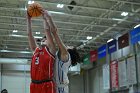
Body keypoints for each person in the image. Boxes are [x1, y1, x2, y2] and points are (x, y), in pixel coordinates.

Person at [44, 10, 80, 93]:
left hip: (61, 89)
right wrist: (45, 20)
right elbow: (48, 33)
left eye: (70, 46)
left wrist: (50, 18)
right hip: (55, 87)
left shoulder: (66, 55)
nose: (68, 45)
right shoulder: (59, 54)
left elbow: (55, 33)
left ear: (70, 51)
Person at [27, 10, 56, 93]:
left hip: (46, 84)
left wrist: (44, 19)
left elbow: (47, 31)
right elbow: (29, 34)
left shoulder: (51, 50)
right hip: (34, 84)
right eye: (42, 39)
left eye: (45, 39)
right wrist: (28, 19)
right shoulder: (35, 50)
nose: (43, 39)